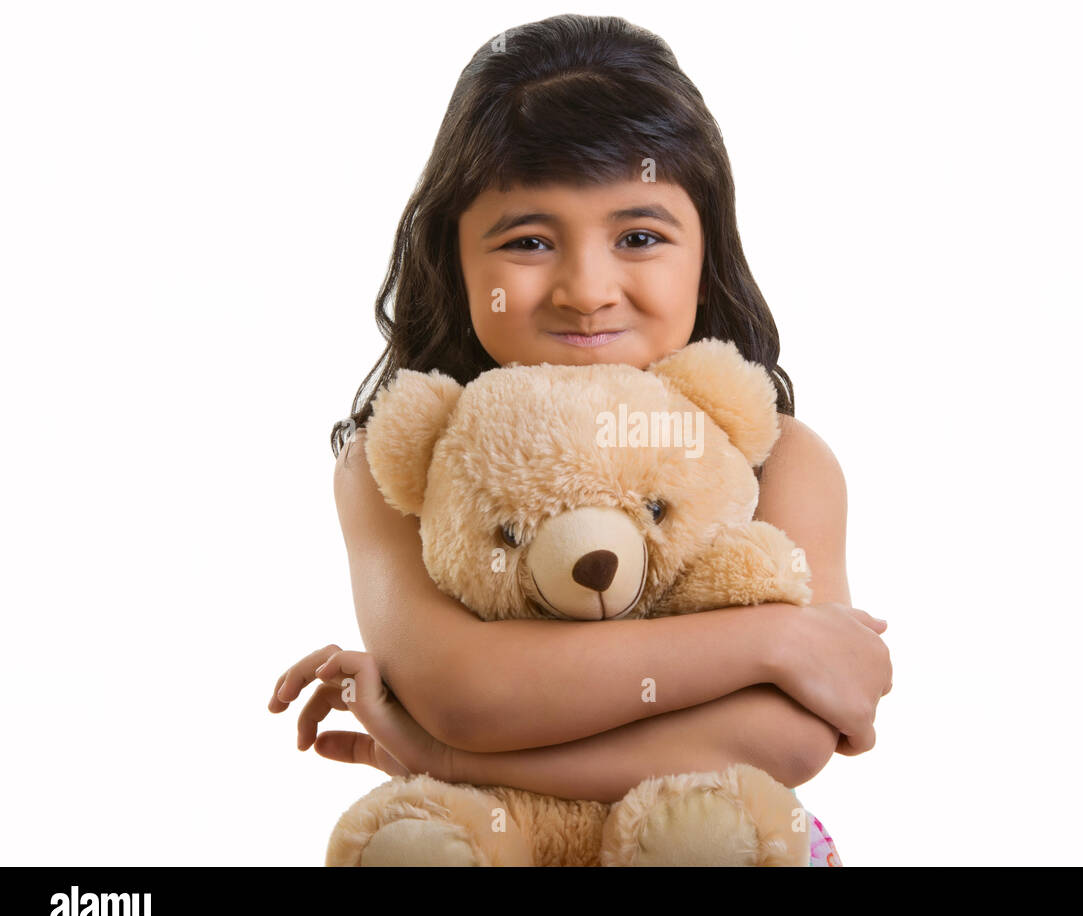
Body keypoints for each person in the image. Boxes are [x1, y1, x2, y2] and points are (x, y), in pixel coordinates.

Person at [269, 13, 891, 867]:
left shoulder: (782, 458)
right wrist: (773, 642)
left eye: (639, 237)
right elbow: (468, 691)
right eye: (528, 240)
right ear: (454, 259)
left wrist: (448, 759)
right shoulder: (392, 461)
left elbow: (786, 741)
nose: (587, 290)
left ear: (707, 251)